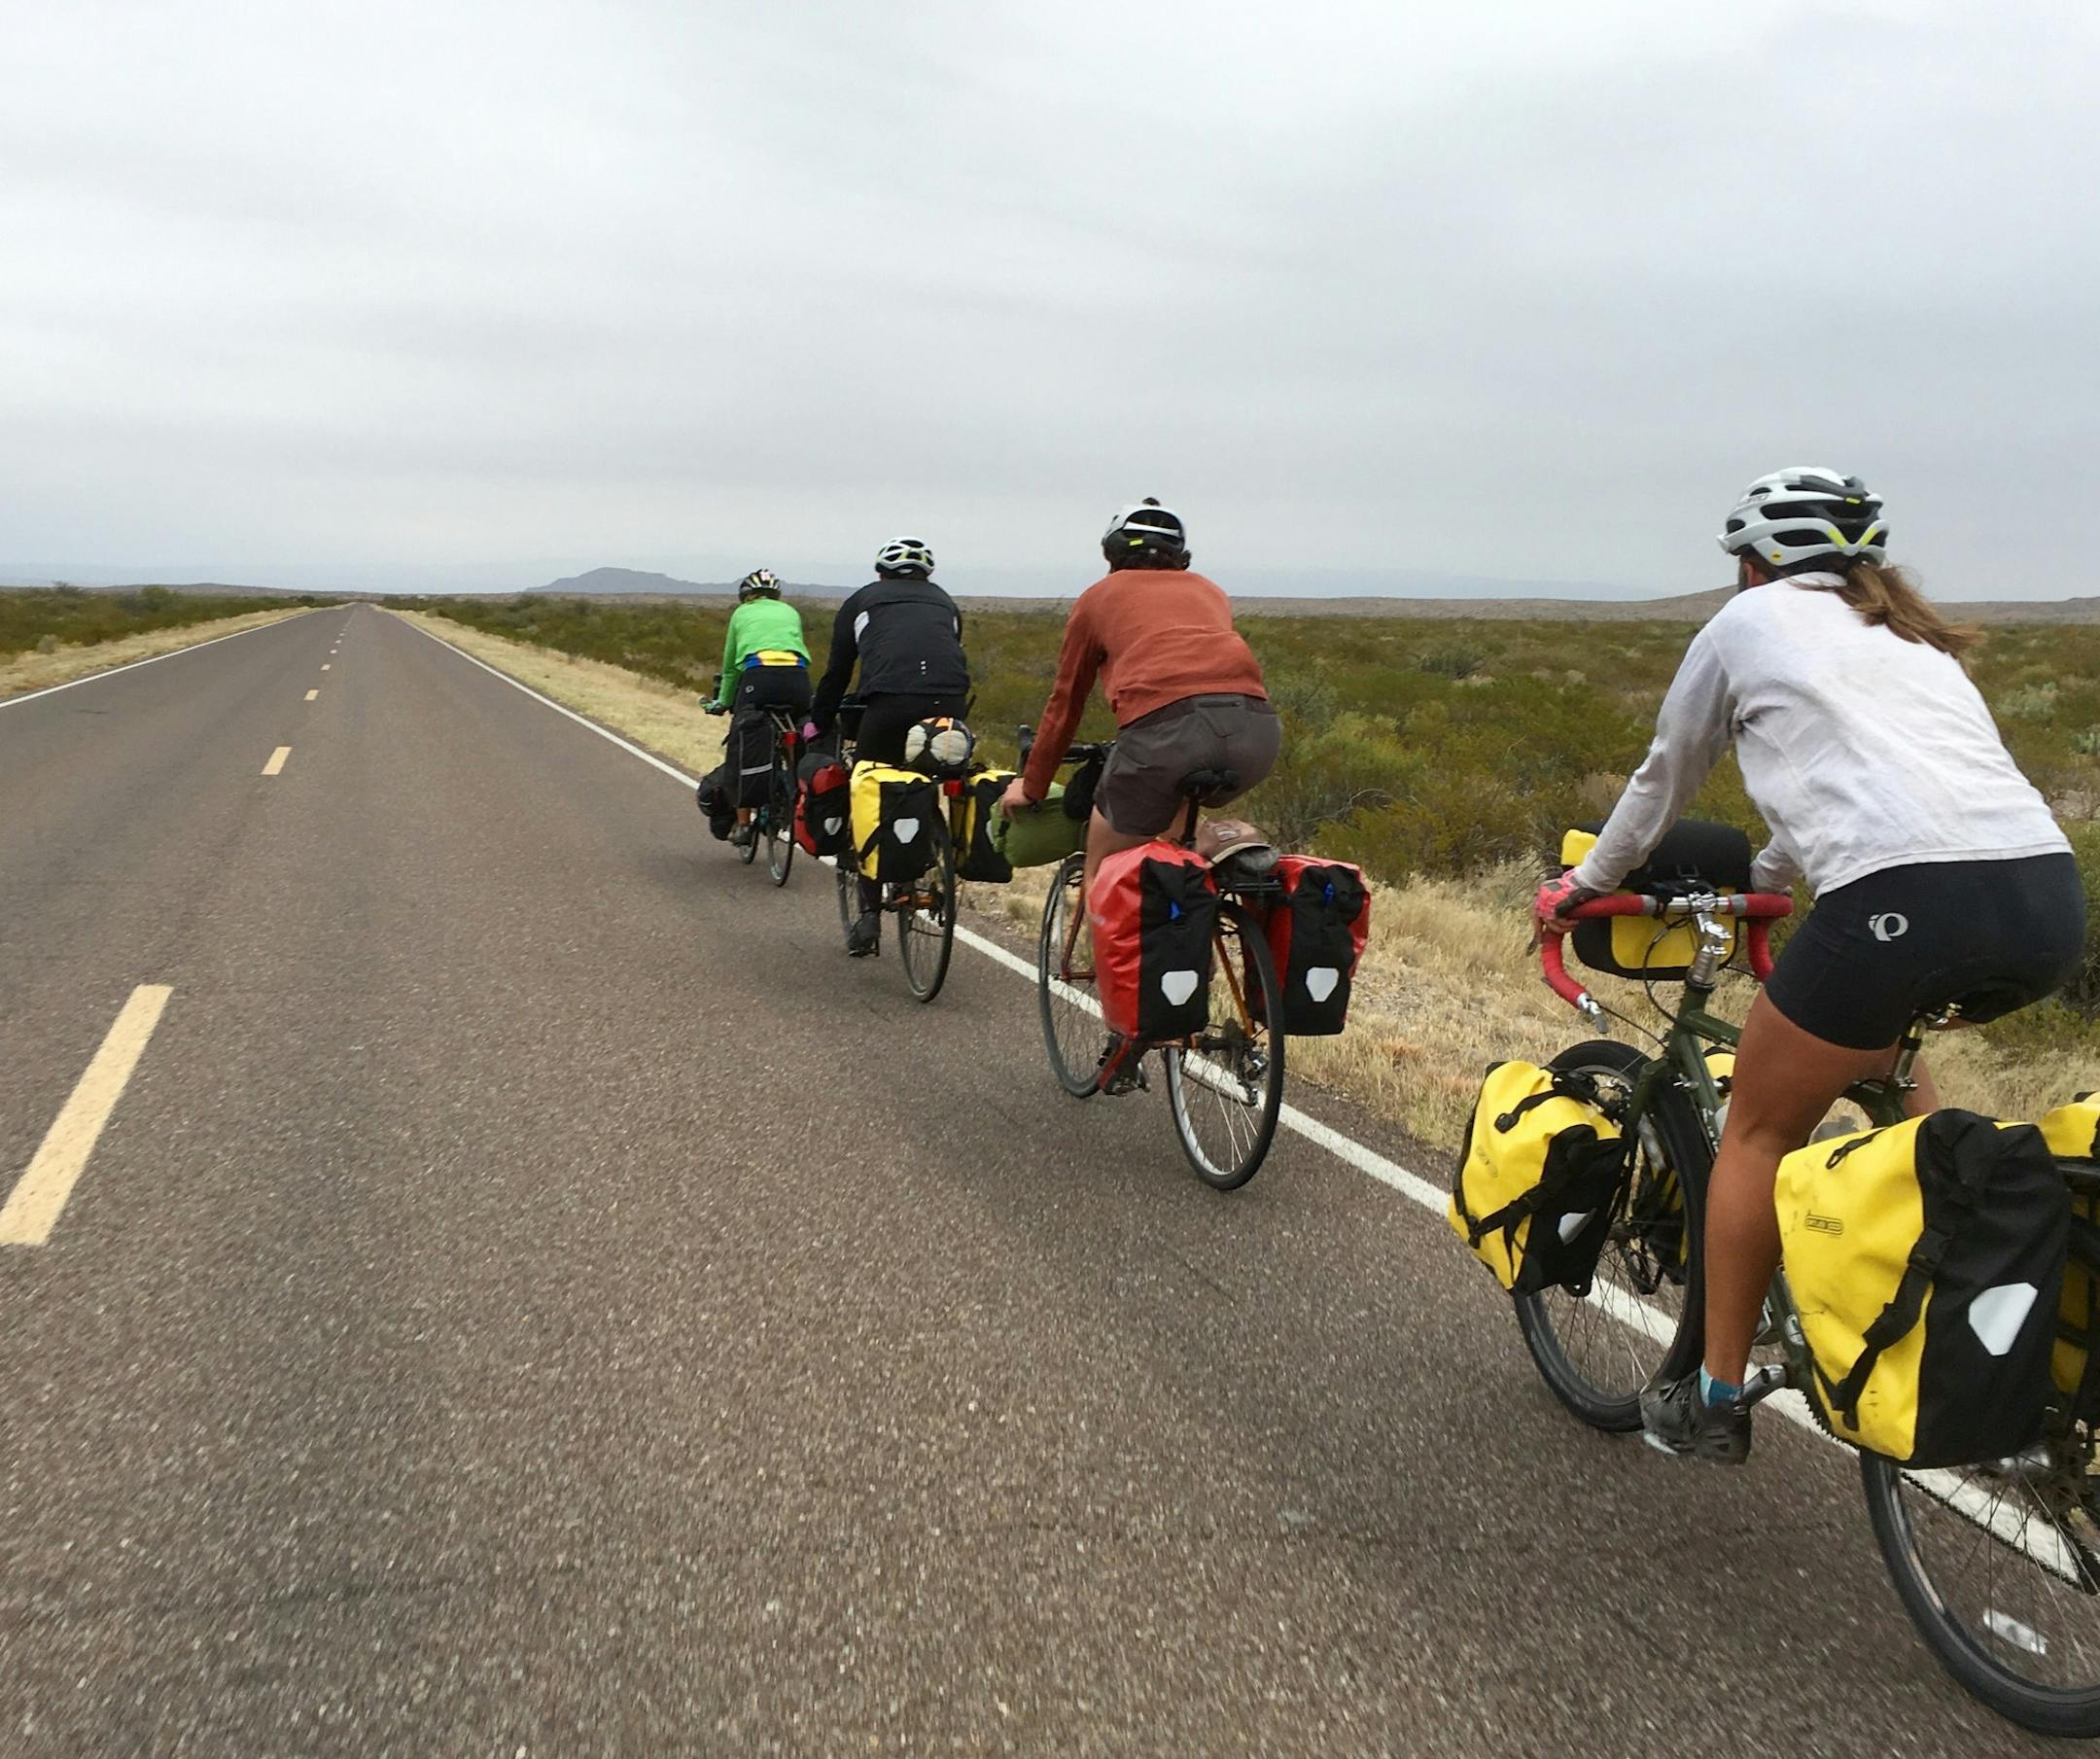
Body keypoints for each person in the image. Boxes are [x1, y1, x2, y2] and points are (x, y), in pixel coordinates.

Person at [1533, 467, 2085, 1464]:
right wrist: (1764, 880)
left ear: (1758, 562)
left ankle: (1713, 1396)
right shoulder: (1910, 636)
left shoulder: (1745, 624)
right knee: (1890, 1074)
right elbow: (1860, 792)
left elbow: (1664, 777)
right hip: (2046, 901)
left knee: (1755, 1133)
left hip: (1906, 903)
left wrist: (1586, 885)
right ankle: (1956, 1310)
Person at [999, 498, 1279, 909]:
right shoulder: (1210, 591)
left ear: (1111, 552)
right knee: (1180, 833)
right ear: (1179, 556)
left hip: (1165, 735)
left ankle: (1113, 943)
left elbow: (1066, 703)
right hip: (1257, 732)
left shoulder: (1098, 597)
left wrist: (1032, 785)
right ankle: (1201, 901)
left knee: (1104, 871)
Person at [808, 538, 970, 954]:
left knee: (868, 783)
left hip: (888, 705)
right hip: (949, 705)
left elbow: (838, 671)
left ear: (880, 573)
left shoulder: (862, 601)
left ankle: (868, 916)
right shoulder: (946, 603)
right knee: (928, 773)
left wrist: (819, 721)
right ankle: (929, 856)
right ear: (927, 575)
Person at [710, 569, 810, 849]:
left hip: (759, 677)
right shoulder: (790, 612)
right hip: (798, 678)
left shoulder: (741, 613)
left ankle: (743, 825)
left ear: (747, 596)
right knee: (798, 729)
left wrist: (723, 702)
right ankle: (796, 786)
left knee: (741, 743)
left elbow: (731, 668)